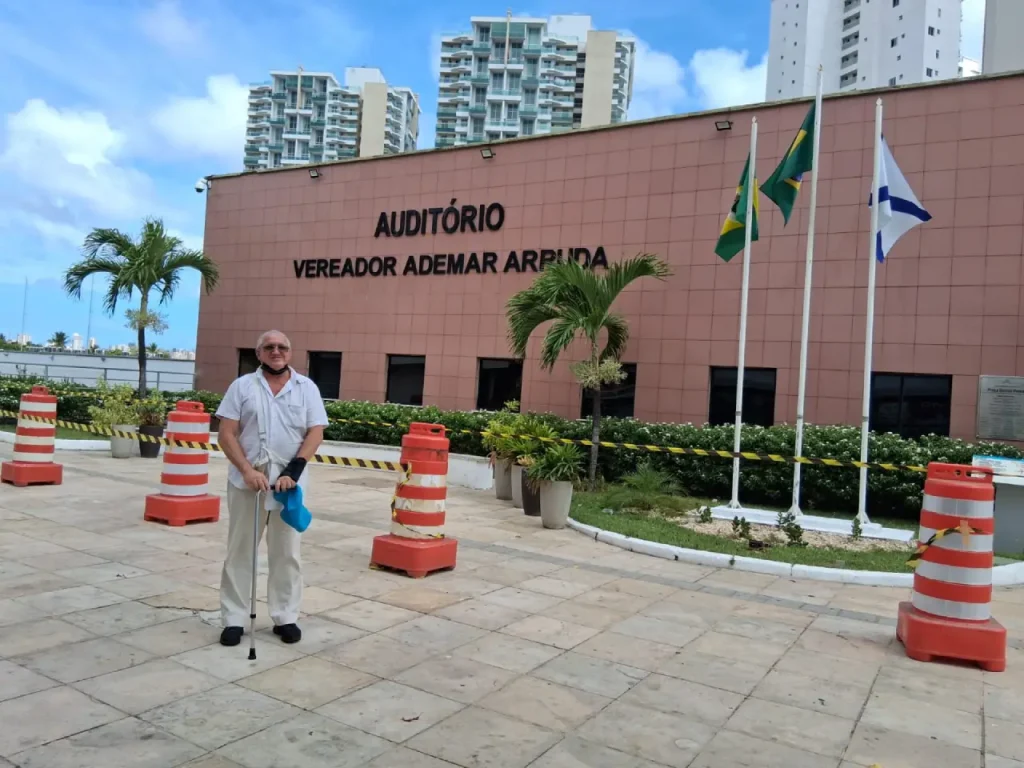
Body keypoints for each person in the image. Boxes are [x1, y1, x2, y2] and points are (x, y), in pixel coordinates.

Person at [215, 330, 328, 646]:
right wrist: (247, 470)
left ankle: (286, 616)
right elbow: (226, 433)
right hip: (247, 483)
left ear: (290, 353)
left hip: (288, 486)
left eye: (282, 347)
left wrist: (294, 470)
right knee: (240, 551)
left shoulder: (306, 388)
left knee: (287, 553)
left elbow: (315, 432)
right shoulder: (242, 387)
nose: (276, 351)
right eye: (269, 347)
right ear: (259, 353)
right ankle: (234, 619)